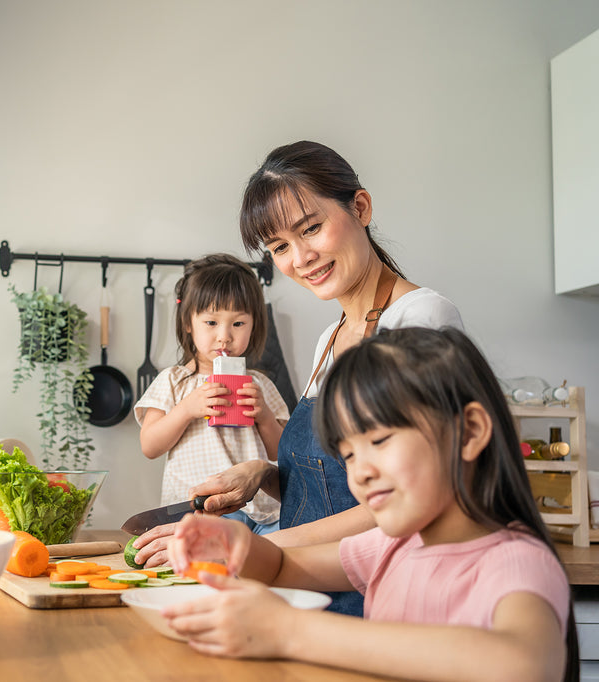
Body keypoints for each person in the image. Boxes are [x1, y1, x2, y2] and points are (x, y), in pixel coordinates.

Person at [132, 141, 463, 616]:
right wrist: (261, 475)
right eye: (280, 247)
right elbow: (332, 485)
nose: (301, 257)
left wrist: (253, 546)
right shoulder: (330, 338)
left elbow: (413, 500)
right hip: (310, 593)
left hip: (383, 599)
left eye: (312, 228)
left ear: (361, 207)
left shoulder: (419, 318)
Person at [162, 327, 578, 682]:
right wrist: (236, 545)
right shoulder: (393, 544)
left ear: (469, 432)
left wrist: (289, 630)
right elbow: (280, 567)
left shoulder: (516, 562)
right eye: (349, 453)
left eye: (378, 441)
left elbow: (522, 663)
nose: (358, 472)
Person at [134, 254, 289, 534]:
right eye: (211, 322)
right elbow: (149, 446)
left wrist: (265, 416)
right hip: (199, 512)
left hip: (262, 512)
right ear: (188, 323)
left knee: (276, 558)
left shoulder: (260, 384)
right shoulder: (173, 381)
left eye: (238, 324)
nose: (224, 336)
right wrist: (187, 409)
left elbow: (283, 453)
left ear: (254, 325)